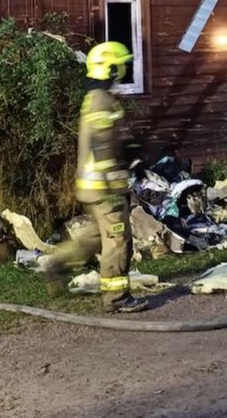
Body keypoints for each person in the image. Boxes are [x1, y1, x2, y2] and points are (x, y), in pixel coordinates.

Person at [46, 41, 148, 313]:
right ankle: (116, 298)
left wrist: (129, 152)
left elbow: (106, 141)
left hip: (93, 187)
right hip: (104, 187)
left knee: (95, 236)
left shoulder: (96, 98)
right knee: (117, 238)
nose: (122, 72)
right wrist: (116, 182)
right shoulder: (102, 100)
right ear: (109, 68)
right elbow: (102, 145)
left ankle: (58, 264)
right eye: (119, 67)